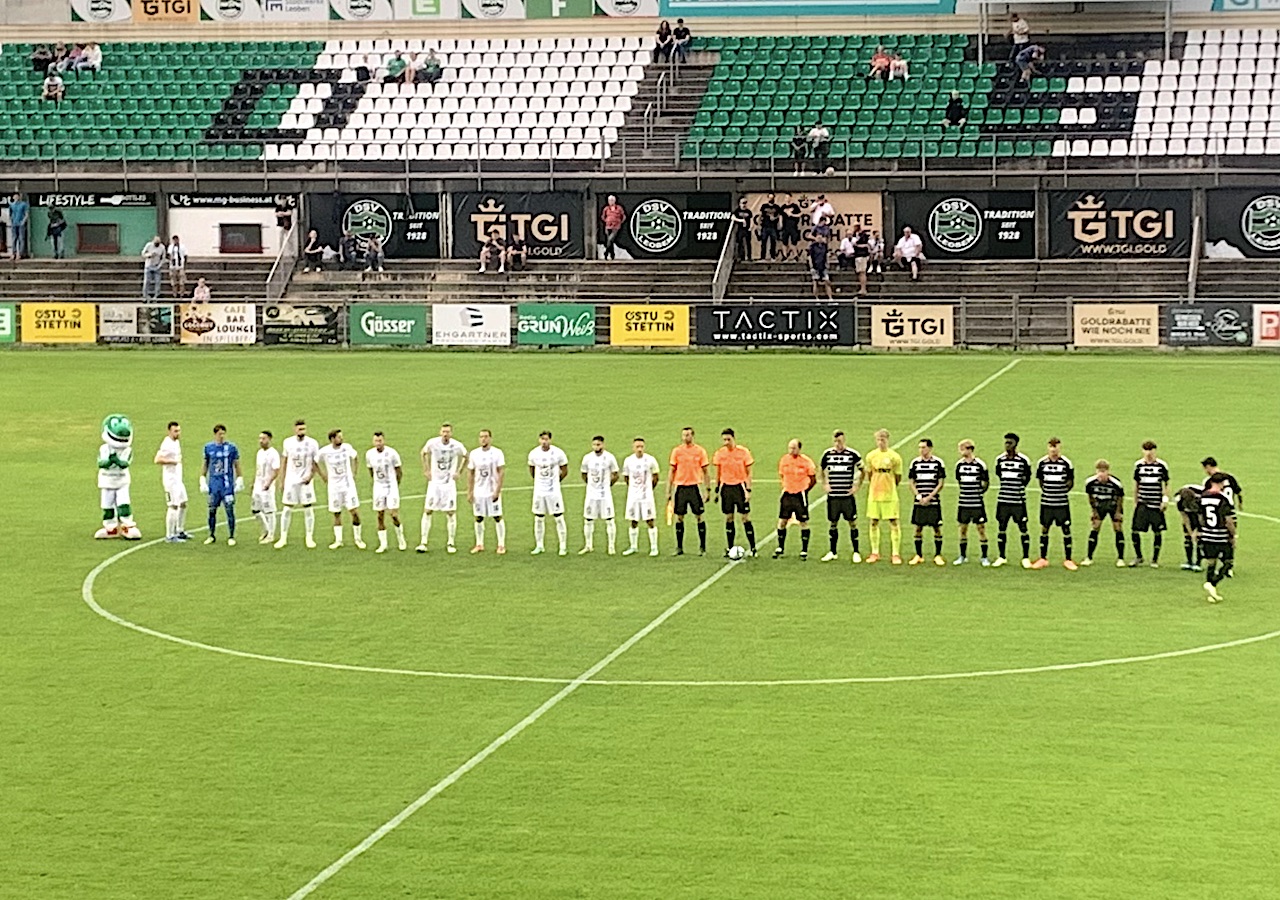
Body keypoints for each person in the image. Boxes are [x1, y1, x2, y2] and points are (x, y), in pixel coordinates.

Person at [418, 423, 467, 554]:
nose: (445, 434)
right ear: (440, 432)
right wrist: (426, 470)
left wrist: (459, 472)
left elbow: (465, 456)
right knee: (428, 510)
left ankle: (450, 542)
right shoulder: (433, 443)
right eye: (444, 431)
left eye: (448, 432)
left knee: (450, 512)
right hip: (434, 483)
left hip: (449, 484)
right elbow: (423, 453)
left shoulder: (456, 445)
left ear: (451, 433)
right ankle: (423, 542)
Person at [275, 419, 320, 550]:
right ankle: (283, 537)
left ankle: (309, 537)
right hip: (291, 480)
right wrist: (281, 480)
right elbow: (284, 460)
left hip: (305, 480)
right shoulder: (287, 442)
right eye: (300, 429)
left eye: (304, 429)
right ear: (295, 429)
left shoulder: (312, 443)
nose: (302, 432)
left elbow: (315, 463)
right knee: (287, 507)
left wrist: (311, 476)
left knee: (308, 507)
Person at [1032, 437, 1076, 570]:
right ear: (1048, 448)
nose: (1053, 450)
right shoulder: (1042, 463)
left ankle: (1068, 559)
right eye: (1051, 447)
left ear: (1059, 448)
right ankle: (1043, 558)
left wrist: (1061, 492)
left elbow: (1070, 482)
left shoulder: (1066, 463)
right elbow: (1040, 481)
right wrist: (1048, 491)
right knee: (1045, 528)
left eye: (1055, 447)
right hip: (1046, 502)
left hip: (1061, 503)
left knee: (1065, 529)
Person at [316, 428, 364, 550]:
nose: (341, 439)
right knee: (336, 513)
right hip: (334, 487)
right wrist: (323, 476)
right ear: (332, 439)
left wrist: (354, 472)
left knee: (354, 511)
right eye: (339, 437)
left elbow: (355, 457)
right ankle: (338, 540)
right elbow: (314, 461)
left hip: (348, 486)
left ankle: (358, 539)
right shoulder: (325, 451)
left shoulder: (347, 447)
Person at [819, 430, 862, 563]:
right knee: (833, 522)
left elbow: (862, 470)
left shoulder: (852, 454)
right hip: (833, 496)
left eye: (841, 441)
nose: (839, 444)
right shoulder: (828, 454)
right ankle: (833, 551)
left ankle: (856, 551)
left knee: (852, 522)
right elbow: (821, 469)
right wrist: (825, 484)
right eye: (837, 441)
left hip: (847, 495)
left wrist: (856, 486)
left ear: (844, 440)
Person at [667, 426, 710, 556]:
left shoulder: (699, 451)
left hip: (694, 487)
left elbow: (706, 471)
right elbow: (672, 471)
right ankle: (679, 547)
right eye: (684, 435)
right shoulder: (677, 451)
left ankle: (702, 547)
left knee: (699, 516)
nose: (686, 437)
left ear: (693, 436)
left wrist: (707, 489)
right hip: (680, 487)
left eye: (688, 435)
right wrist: (668, 490)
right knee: (679, 517)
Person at [992, 432, 1033, 568]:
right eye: (1005, 443)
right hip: (1003, 500)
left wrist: (1018, 488)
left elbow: (1027, 477)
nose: (1007, 445)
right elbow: (999, 474)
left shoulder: (1023, 460)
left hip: (1018, 501)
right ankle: (1002, 556)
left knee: (1023, 528)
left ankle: (1025, 557)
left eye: (1009, 443)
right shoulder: (1000, 460)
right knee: (1001, 527)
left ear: (1016, 444)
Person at [862, 428, 903, 564]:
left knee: (893, 522)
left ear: (887, 440)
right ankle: (875, 552)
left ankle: (895, 554)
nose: (880, 442)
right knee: (873, 521)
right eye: (878, 439)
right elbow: (869, 474)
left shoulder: (894, 457)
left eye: (883, 439)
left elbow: (898, 476)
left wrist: (890, 486)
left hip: (890, 495)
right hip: (874, 494)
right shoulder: (871, 456)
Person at [713, 428, 755, 558]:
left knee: (745, 518)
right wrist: (717, 489)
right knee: (729, 517)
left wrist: (748, 490)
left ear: (733, 439)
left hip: (740, 487)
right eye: (724, 440)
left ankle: (753, 547)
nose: (726, 442)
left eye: (728, 439)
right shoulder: (720, 454)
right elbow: (718, 473)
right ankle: (730, 547)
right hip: (726, 488)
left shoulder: (743, 452)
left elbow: (749, 472)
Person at [200, 424, 243, 547]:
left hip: (227, 484)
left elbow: (236, 464)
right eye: (220, 434)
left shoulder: (231, 448)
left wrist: (239, 478)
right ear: (215, 434)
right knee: (212, 510)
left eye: (223, 433)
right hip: (214, 484)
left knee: (229, 509)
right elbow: (206, 464)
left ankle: (231, 536)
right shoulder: (209, 448)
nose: (222, 436)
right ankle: (211, 535)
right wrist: (202, 479)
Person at [773, 439, 817, 560]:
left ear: (799, 449)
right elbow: (782, 475)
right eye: (790, 448)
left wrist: (805, 489)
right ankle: (780, 547)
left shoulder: (806, 462)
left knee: (803, 522)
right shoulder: (784, 460)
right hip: (787, 494)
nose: (791, 450)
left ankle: (804, 550)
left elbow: (813, 478)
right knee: (782, 521)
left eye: (793, 448)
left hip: (800, 495)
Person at [528, 430, 569, 556]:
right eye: (542, 439)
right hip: (539, 492)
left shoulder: (558, 453)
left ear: (550, 440)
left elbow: (564, 469)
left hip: (553, 491)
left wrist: (557, 481)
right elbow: (532, 469)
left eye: (546, 439)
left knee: (558, 517)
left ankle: (562, 546)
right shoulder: (534, 453)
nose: (544, 442)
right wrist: (539, 482)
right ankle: (539, 545)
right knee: (539, 518)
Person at [1130, 440, 1170, 568]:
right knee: (1135, 530)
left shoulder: (1161, 466)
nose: (1148, 453)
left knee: (1157, 531)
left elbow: (1166, 483)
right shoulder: (1138, 466)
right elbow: (1136, 483)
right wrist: (1135, 500)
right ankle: (1139, 557)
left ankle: (1154, 559)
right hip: (1143, 502)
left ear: (1155, 451)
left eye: (1150, 450)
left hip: (1155, 503)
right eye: (1146, 450)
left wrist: (1165, 499)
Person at [1198, 474, 1237, 604]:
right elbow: (1228, 520)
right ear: (1219, 483)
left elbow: (1200, 517)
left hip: (1207, 534)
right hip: (1220, 535)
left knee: (1211, 562)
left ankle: (1211, 592)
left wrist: (1201, 530)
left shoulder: (1203, 497)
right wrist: (1233, 535)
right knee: (1228, 562)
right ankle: (1212, 583)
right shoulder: (1222, 498)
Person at [908, 439, 946, 566]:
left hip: (933, 501)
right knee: (918, 528)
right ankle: (918, 555)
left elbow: (940, 483)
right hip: (919, 501)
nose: (921, 450)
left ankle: (938, 555)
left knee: (936, 528)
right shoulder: (915, 463)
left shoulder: (938, 463)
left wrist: (930, 497)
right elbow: (911, 482)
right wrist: (919, 496)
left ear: (930, 448)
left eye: (923, 447)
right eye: (919, 447)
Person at [467, 429, 506, 554]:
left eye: (485, 436)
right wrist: (470, 491)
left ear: (490, 438)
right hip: (479, 491)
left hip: (492, 490)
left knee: (497, 516)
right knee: (478, 517)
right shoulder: (474, 454)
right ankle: (479, 544)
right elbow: (471, 473)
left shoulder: (497, 453)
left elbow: (501, 472)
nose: (483, 439)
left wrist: (497, 490)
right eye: (481, 437)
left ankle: (501, 544)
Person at [580, 435, 620, 555]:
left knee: (609, 519)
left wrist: (608, 485)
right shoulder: (587, 458)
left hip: (605, 495)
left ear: (603, 445)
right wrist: (591, 485)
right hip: (591, 494)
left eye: (598, 444)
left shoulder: (609, 458)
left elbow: (615, 474)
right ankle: (588, 545)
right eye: (594, 445)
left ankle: (611, 546)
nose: (596, 447)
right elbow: (584, 474)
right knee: (588, 519)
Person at [367, 431, 406, 554]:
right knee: (380, 515)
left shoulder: (392, 453)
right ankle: (383, 544)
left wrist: (396, 484)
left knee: (393, 514)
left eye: (380, 441)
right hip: (378, 487)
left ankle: (401, 539)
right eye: (376, 441)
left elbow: (399, 470)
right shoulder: (369, 454)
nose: (378, 443)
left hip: (391, 486)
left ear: (384, 441)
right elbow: (371, 470)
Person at [953, 439, 990, 566]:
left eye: (962, 448)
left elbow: (986, 483)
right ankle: (962, 556)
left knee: (981, 529)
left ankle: (984, 557)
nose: (960, 451)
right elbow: (959, 481)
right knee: (963, 529)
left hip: (977, 503)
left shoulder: (980, 464)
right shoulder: (959, 465)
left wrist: (978, 493)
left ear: (970, 449)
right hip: (963, 502)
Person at [1082, 459, 1126, 567]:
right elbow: (1090, 497)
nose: (1101, 474)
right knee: (1095, 527)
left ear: (1108, 471)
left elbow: (1120, 498)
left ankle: (1120, 558)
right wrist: (1094, 510)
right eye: (1099, 471)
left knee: (1117, 528)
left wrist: (1118, 512)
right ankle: (1089, 557)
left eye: (1104, 471)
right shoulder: (1090, 482)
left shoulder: (1116, 483)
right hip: (1099, 505)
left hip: (1112, 505)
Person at [622, 437, 661, 557]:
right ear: (633, 448)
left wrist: (648, 488)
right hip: (633, 496)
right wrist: (634, 489)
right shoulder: (628, 461)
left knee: (650, 520)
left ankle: (654, 547)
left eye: (641, 447)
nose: (639, 449)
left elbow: (655, 477)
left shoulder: (650, 460)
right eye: (637, 447)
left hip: (646, 496)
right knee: (633, 520)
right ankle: (633, 546)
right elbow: (626, 477)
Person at [154, 421, 189, 543]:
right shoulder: (166, 444)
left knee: (183, 503)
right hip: (170, 481)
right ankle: (170, 535)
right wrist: (172, 462)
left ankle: (180, 530)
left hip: (178, 479)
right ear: (169, 431)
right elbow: (157, 459)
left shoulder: (176, 442)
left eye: (179, 430)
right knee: (173, 505)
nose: (178, 433)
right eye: (175, 431)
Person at [252, 430, 280, 545]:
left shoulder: (273, 454)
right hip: (258, 486)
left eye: (263, 438)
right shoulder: (259, 453)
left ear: (269, 439)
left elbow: (276, 470)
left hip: (267, 487)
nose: (261, 441)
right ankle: (266, 529)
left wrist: (268, 482)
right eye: (260, 438)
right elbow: (258, 470)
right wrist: (253, 483)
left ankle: (271, 535)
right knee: (255, 510)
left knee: (269, 510)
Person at [1176, 484, 1204, 572]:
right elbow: (1185, 517)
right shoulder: (1179, 500)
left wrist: (1197, 531)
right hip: (1190, 515)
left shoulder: (1201, 499)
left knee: (1200, 537)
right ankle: (1189, 561)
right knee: (1187, 536)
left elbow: (1202, 518)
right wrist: (1191, 533)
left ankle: (1198, 563)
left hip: (1203, 515)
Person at [808, 231, 833, 300]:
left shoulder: (825, 246)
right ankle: (816, 298)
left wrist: (827, 264)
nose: (819, 238)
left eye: (820, 237)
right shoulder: (812, 246)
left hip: (823, 266)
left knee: (827, 282)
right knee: (815, 283)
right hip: (815, 266)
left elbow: (827, 255)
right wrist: (811, 267)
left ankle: (830, 298)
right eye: (818, 237)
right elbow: (810, 257)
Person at [600, 195, 626, 261]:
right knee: (610, 241)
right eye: (609, 200)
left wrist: (619, 222)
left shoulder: (619, 208)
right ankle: (612, 255)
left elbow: (623, 216)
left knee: (610, 239)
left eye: (612, 200)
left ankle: (606, 253)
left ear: (614, 201)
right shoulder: (606, 208)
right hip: (608, 226)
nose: (610, 202)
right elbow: (603, 216)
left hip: (616, 226)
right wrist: (606, 221)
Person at [758, 194, 781, 261]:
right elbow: (760, 215)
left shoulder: (777, 207)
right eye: (770, 198)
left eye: (772, 197)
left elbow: (779, 215)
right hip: (765, 226)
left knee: (773, 242)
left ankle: (773, 257)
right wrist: (759, 225)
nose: (771, 199)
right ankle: (762, 257)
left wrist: (774, 218)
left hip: (773, 227)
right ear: (767, 198)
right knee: (763, 242)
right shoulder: (764, 206)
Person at [779, 192, 802, 258]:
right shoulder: (783, 207)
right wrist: (780, 224)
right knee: (784, 242)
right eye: (786, 198)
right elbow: (780, 216)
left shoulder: (795, 206)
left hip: (793, 226)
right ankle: (784, 256)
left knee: (793, 242)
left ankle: (795, 256)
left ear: (791, 198)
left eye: (788, 197)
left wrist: (792, 215)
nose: (787, 199)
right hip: (785, 226)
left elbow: (799, 214)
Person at [731, 197, 753, 262]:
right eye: (743, 203)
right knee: (739, 242)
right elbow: (732, 217)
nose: (744, 205)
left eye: (745, 203)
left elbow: (751, 219)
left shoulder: (748, 211)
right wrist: (741, 220)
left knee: (748, 243)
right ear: (739, 204)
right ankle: (740, 257)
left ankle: (749, 256)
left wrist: (751, 227)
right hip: (740, 229)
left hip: (747, 229)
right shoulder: (737, 211)